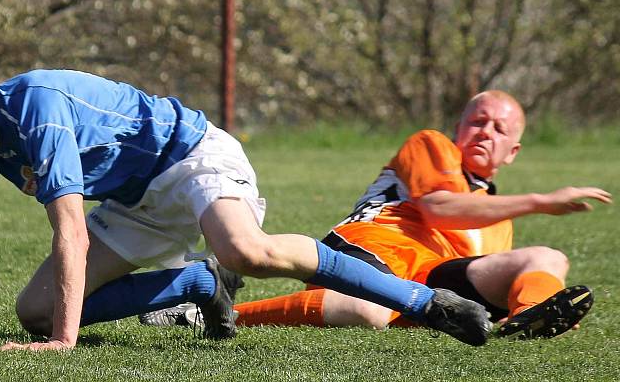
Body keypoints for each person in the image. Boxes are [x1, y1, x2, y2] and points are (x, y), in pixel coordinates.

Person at [0, 47, 493, 351]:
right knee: (33, 311)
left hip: (192, 158)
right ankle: (198, 285)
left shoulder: (37, 108)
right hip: (138, 200)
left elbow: (71, 233)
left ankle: (426, 303)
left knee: (249, 251)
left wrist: (65, 345)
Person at [142, 90, 612, 339]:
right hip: (369, 250)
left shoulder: (499, 217)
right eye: (477, 121)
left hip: (430, 285)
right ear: (458, 127)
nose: (485, 132)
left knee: (546, 257)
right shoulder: (432, 144)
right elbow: (441, 208)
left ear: (514, 151)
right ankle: (202, 314)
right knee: (368, 310)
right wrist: (541, 200)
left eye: (499, 128)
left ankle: (522, 322)